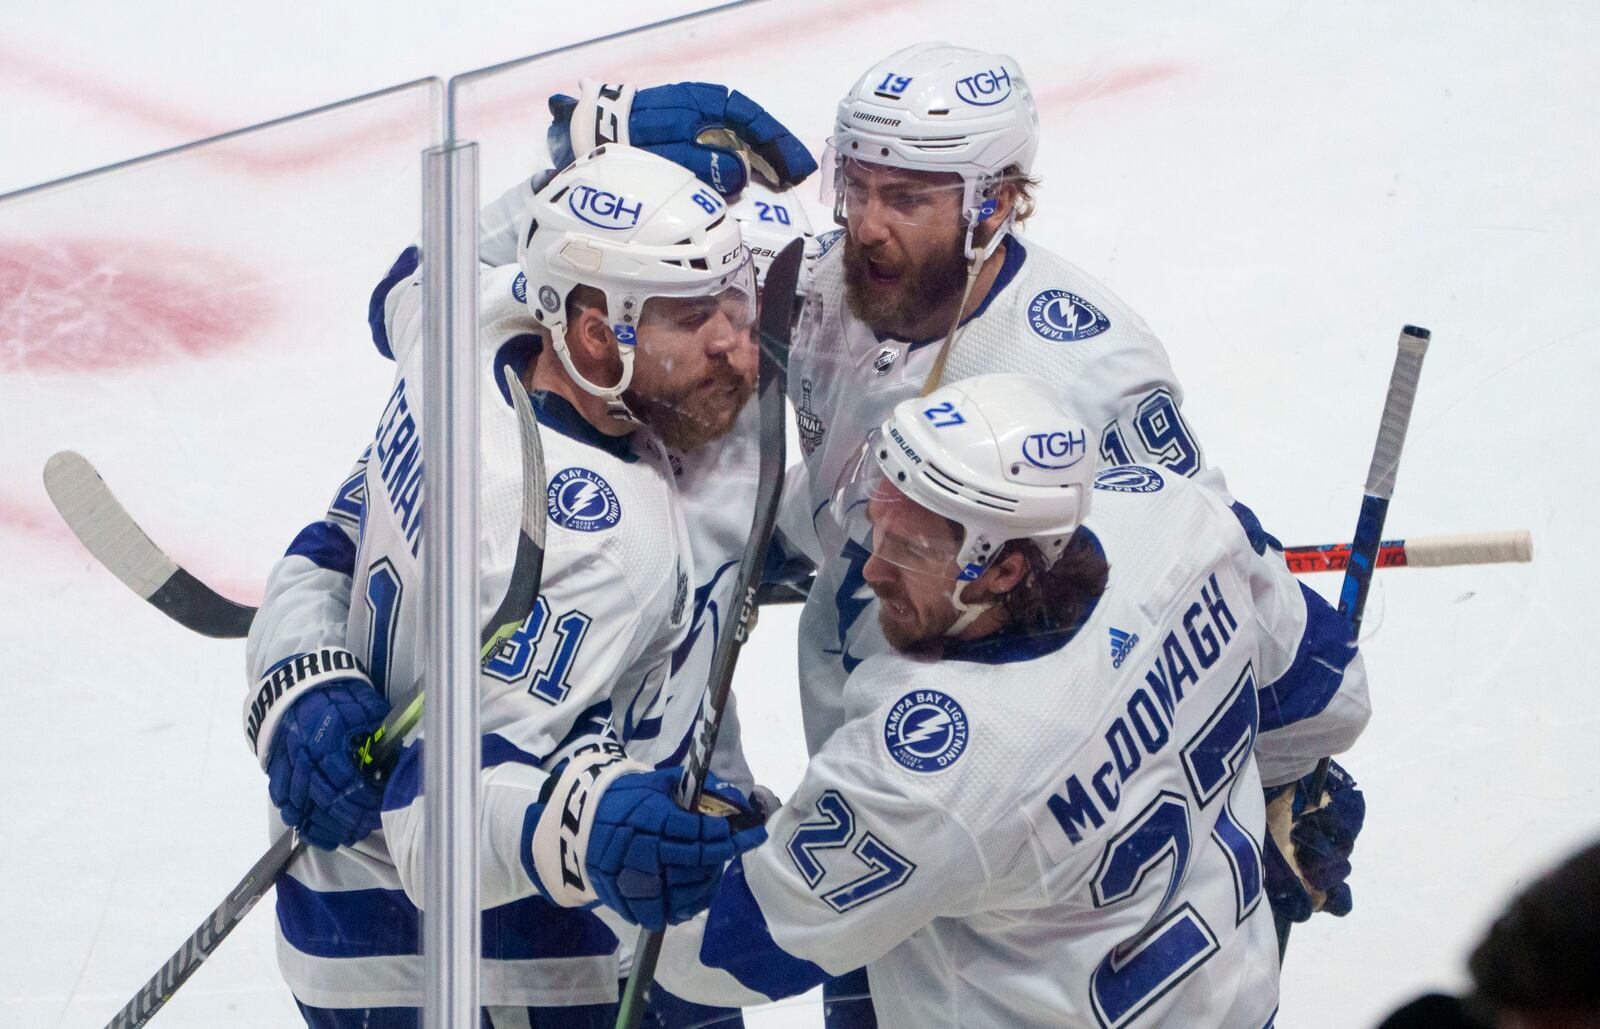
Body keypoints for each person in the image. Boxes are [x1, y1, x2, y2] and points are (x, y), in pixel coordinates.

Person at [605, 373, 1371, 1028]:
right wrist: (1280, 789)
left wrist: (592, 844)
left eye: (910, 548)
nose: (872, 570)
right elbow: (1330, 692)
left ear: (1003, 570)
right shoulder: (1179, 518)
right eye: (880, 524)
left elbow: (720, 954)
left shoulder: (933, 766)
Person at [242, 145, 770, 1027]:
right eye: (690, 318)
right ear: (597, 335)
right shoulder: (591, 544)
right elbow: (428, 810)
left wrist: (577, 164)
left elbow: (408, 280)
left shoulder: (470, 323)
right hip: (489, 969)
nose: (735, 345)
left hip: (335, 911)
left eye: (732, 298)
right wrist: (586, 826)